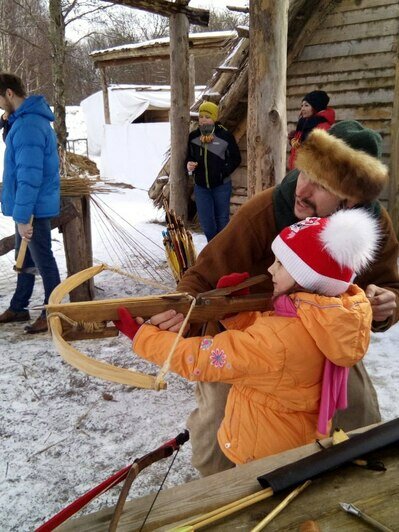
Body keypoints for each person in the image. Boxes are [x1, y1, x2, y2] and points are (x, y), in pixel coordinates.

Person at [143, 121, 399, 477]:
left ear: (351, 200)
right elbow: (202, 276)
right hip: (243, 336)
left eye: (322, 185)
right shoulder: (265, 211)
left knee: (359, 418)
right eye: (304, 172)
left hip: (317, 342)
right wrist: (182, 310)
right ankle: (215, 498)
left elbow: (389, 286)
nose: (303, 189)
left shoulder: (372, 226)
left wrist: (387, 304)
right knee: (219, 425)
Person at [115, 208, 379, 465]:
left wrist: (144, 337)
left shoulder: (281, 338)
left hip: (264, 457)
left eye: (281, 264)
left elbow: (204, 359)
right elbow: (267, 348)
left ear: (306, 277)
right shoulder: (324, 318)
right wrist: (236, 316)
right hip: (290, 442)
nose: (270, 271)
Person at [0, 72, 61, 334]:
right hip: (28, 206)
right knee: (23, 258)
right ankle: (19, 306)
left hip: (33, 207)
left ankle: (53, 311)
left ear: (9, 94)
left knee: (42, 259)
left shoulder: (28, 126)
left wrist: (23, 216)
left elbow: (29, 176)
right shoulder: (24, 121)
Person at [187, 101, 241, 242]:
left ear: (215, 118)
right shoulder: (193, 136)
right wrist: (188, 165)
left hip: (221, 186)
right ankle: (214, 247)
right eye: (201, 116)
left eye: (207, 116)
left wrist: (223, 172)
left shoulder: (224, 135)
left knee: (222, 221)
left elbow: (236, 158)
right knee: (207, 224)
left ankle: (220, 251)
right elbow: (189, 157)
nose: (203, 119)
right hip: (201, 187)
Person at [288, 90, 335, 170]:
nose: (302, 109)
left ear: (316, 107)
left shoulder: (322, 127)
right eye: (302, 106)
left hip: (309, 175)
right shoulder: (304, 124)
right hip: (296, 171)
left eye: (306, 105)